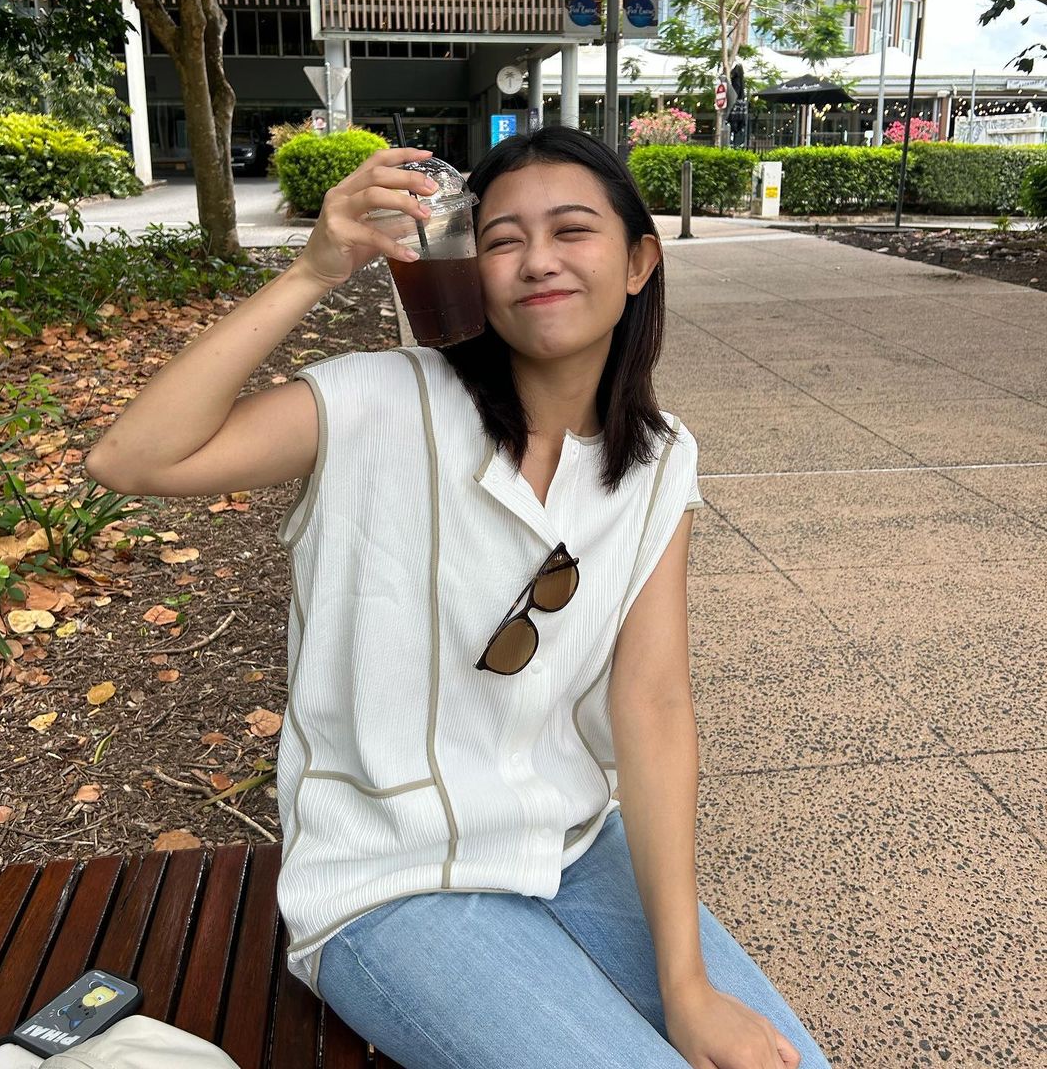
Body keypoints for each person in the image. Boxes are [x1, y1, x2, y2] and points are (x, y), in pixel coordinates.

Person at [84, 126, 833, 1069]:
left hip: (572, 846)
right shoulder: (379, 402)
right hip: (392, 885)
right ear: (473, 269)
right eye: (503, 239)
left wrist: (687, 985)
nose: (538, 260)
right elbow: (132, 459)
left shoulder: (659, 457)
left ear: (641, 262)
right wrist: (312, 271)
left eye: (573, 230)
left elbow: (653, 704)